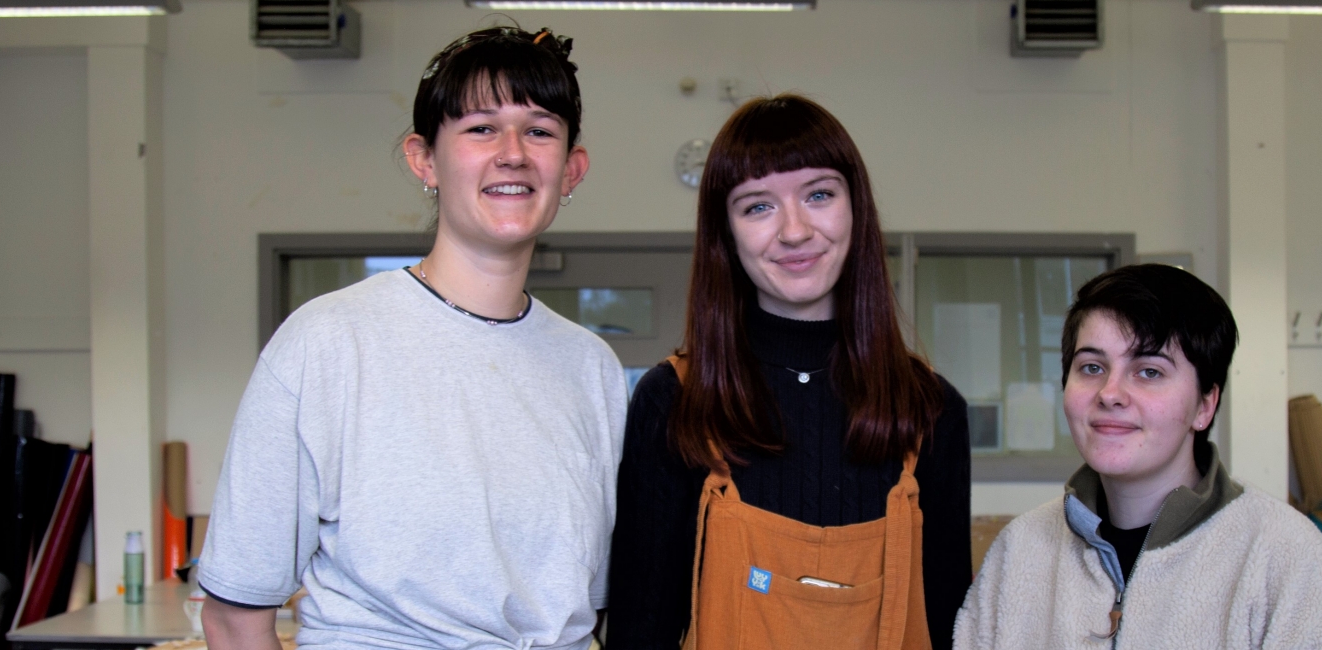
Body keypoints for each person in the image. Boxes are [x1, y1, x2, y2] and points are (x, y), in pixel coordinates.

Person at [199, 25, 625, 650]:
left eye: (539, 130)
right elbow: (235, 618)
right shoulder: (328, 344)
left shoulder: (593, 369)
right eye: (480, 128)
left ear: (571, 169)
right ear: (424, 158)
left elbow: (593, 605)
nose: (513, 152)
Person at [606, 95, 973, 650]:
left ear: (857, 209)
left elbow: (949, 623)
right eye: (757, 206)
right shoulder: (673, 400)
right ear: (725, 234)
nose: (795, 231)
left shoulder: (930, 409)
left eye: (819, 194)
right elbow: (641, 629)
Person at [954, 264, 1322, 649]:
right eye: (1092, 367)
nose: (1110, 394)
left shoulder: (1284, 555)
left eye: (1149, 371)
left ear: (1205, 405)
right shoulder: (1020, 550)